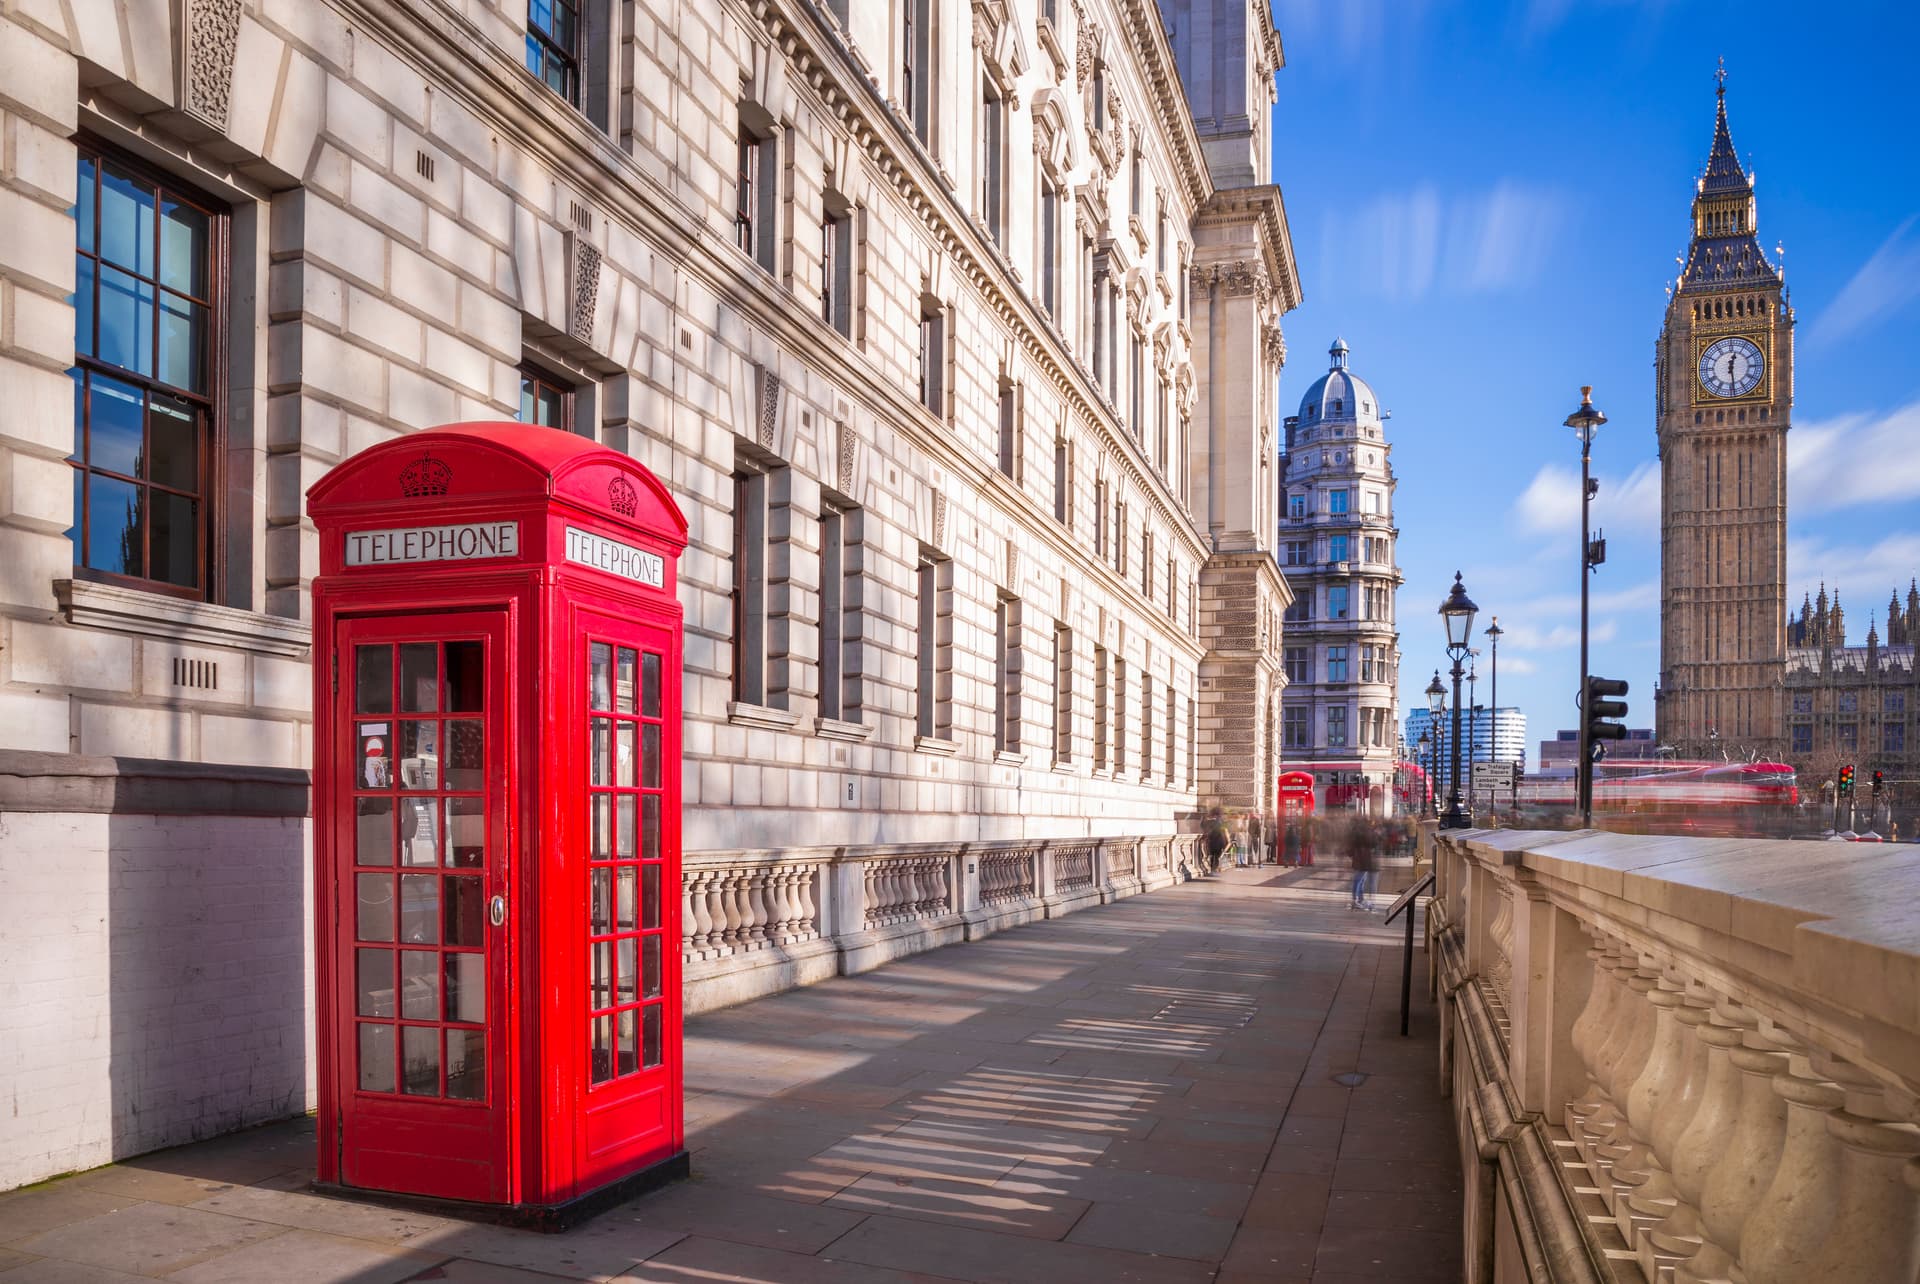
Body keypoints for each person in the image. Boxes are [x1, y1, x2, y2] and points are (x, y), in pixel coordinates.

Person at [1349, 817, 1378, 910]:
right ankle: (1355, 900)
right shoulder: (1366, 832)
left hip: (1359, 857)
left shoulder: (1357, 830)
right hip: (1363, 858)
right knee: (1358, 879)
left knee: (1360, 880)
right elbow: (1373, 842)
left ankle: (1359, 899)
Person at [1202, 807, 1229, 874]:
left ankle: (1212, 869)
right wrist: (1227, 842)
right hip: (1220, 841)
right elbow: (1226, 833)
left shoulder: (1210, 822)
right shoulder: (1223, 822)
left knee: (1212, 855)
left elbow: (1204, 828)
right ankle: (1214, 870)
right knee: (1217, 856)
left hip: (1212, 840)